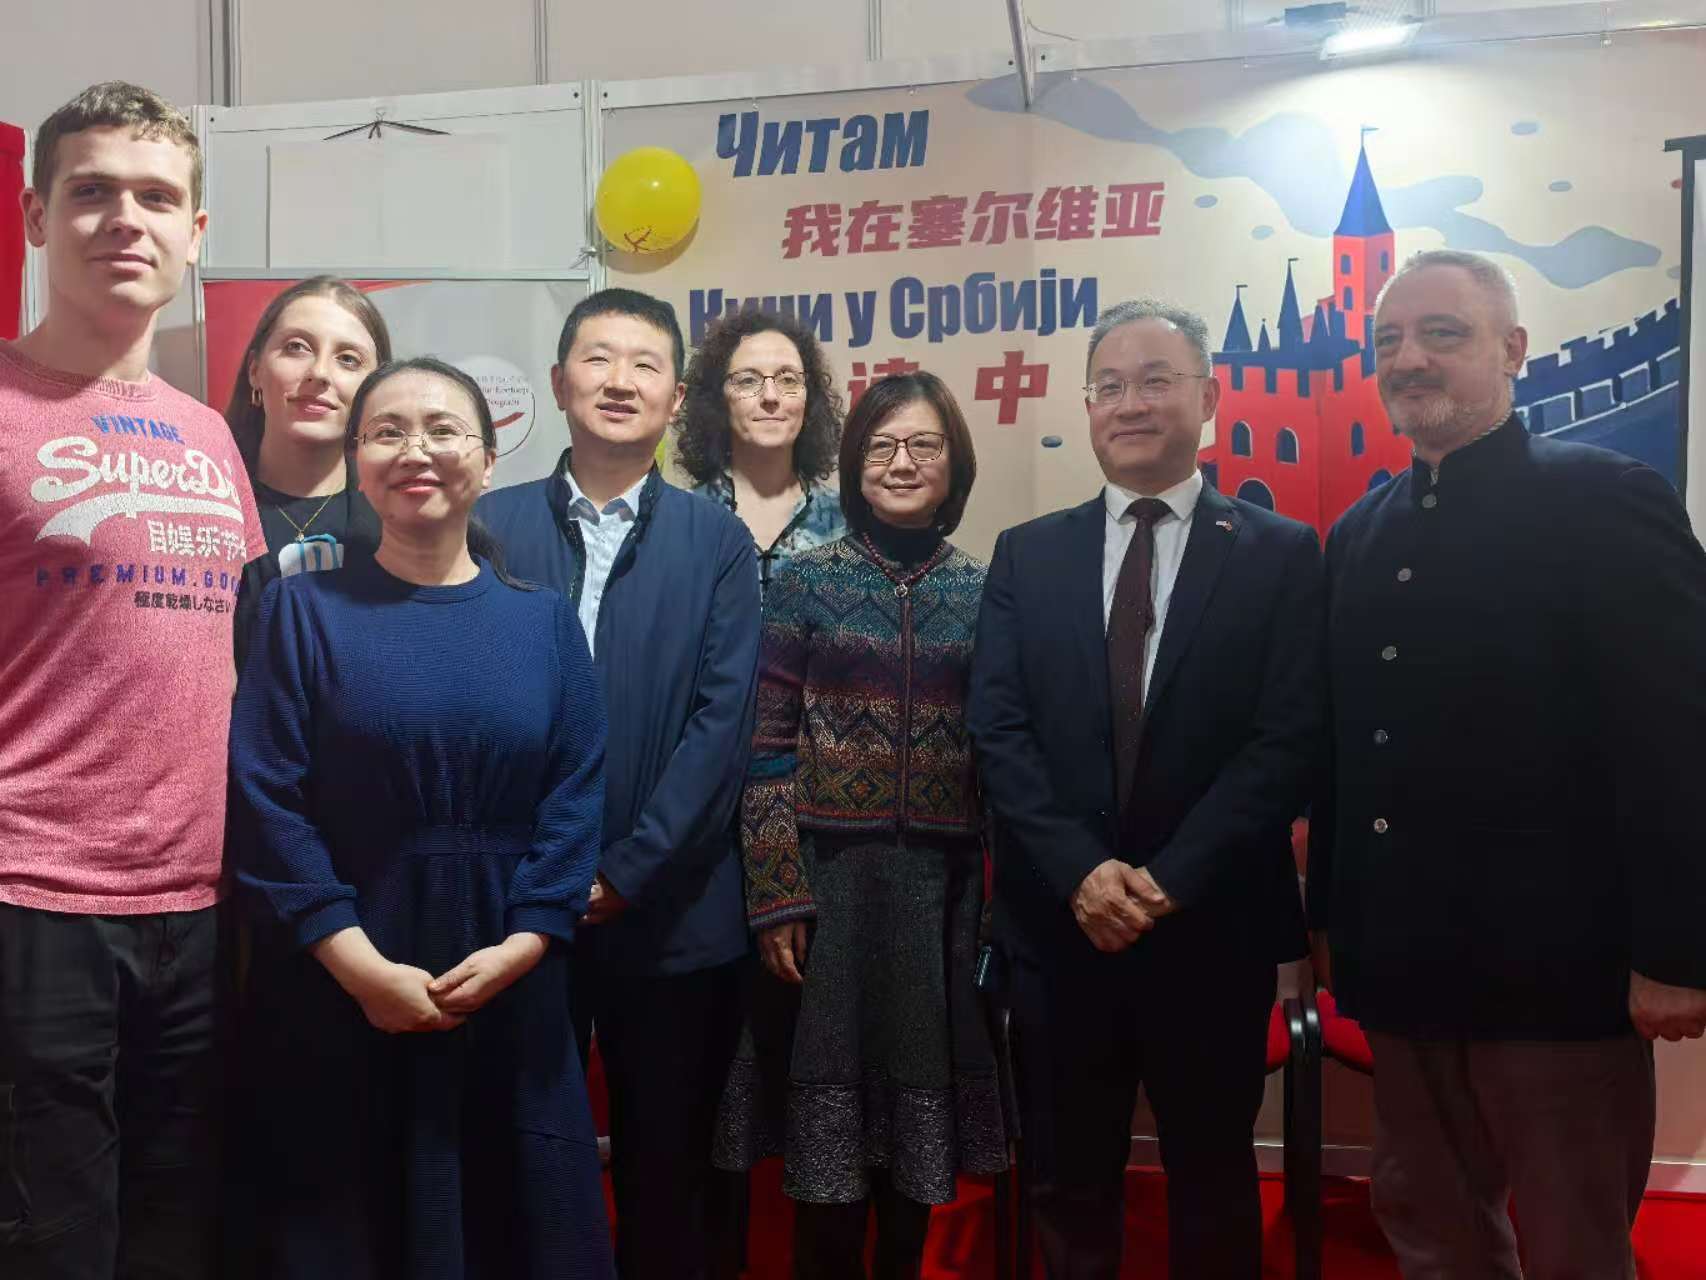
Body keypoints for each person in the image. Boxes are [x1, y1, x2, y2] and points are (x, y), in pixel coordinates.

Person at [1308, 249, 1706, 1280]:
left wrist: (1676, 950)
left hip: (1557, 971)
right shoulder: (1357, 535)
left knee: (1575, 1242)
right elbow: (1345, 753)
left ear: (1513, 349)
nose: (1409, 358)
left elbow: (1676, 737)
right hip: (1401, 964)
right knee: (1431, 1232)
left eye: (1441, 333)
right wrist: (1331, 924)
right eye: (1389, 341)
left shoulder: (1607, 500)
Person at [227, 357, 614, 1280]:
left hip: (511, 985)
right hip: (344, 982)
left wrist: (526, 942)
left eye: (443, 430)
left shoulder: (544, 623)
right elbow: (267, 799)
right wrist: (359, 969)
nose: (417, 451)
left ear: (487, 460)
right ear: (358, 463)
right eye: (388, 432)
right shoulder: (300, 612)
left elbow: (575, 797)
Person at [967, 299, 1325, 1279]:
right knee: (1067, 1180)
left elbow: (1288, 741)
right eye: (1110, 385)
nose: (1131, 404)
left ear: (1208, 398)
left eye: (1156, 381)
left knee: (1211, 1178)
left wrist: (1168, 881)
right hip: (1060, 928)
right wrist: (1081, 873)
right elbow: (999, 732)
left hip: (1209, 928)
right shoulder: (1027, 553)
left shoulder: (1280, 553)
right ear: (1088, 406)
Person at [0, 82, 265, 1279]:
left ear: (194, 233)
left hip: (197, 907)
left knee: (176, 1237)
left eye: (156, 197)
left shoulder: (209, 435)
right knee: (51, 1245)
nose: (125, 219)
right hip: (30, 898)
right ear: (37, 216)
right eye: (92, 190)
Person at [477, 288, 761, 1280]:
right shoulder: (489, 523)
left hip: (671, 914)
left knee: (666, 1169)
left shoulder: (716, 540)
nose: (619, 380)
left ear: (675, 398)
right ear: (560, 381)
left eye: (645, 364)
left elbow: (720, 729)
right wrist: (545, 874)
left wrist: (626, 871)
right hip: (516, 906)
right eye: (598, 358)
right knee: (518, 1157)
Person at [715, 372, 1005, 1279]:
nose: (901, 462)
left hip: (936, 900)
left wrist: (993, 911)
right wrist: (776, 895)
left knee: (915, 1162)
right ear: (853, 464)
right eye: (881, 446)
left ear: (954, 463)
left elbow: (1002, 758)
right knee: (827, 1166)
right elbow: (763, 748)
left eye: (923, 445)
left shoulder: (985, 590)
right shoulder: (805, 582)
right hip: (827, 896)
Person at [225, 276, 391, 668]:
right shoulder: (206, 506)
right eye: (296, 347)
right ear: (255, 370)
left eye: (347, 359)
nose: (320, 373)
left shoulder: (400, 519)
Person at [674, 309, 845, 594]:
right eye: (748, 380)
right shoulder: (682, 518)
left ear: (809, 399)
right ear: (718, 400)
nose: (770, 397)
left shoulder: (844, 521)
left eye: (788, 379)